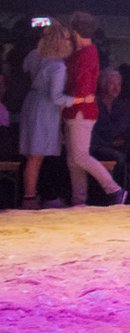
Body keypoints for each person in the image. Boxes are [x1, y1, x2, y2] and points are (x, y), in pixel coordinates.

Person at [61, 11, 125, 206]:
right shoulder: (82, 52)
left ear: (74, 30)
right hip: (75, 109)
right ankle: (79, 201)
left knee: (80, 156)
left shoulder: (87, 53)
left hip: (81, 109)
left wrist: (74, 99)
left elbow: (82, 83)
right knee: (74, 161)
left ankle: (114, 189)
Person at [18, 23, 81, 209]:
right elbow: (57, 97)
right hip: (45, 109)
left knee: (33, 154)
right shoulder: (57, 66)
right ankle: (29, 197)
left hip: (31, 102)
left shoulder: (33, 55)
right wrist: (79, 100)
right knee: (36, 155)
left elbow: (24, 68)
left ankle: (31, 194)